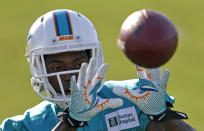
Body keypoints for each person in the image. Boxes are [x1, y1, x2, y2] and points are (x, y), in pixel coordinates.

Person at [0, 9, 196, 131]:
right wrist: (71, 123)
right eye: (57, 67)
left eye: (79, 65)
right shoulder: (23, 126)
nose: (70, 76)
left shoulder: (132, 99)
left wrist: (162, 115)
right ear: (38, 67)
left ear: (94, 59)